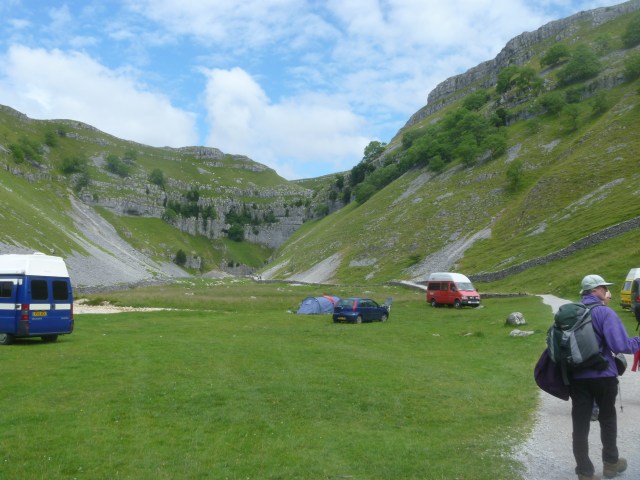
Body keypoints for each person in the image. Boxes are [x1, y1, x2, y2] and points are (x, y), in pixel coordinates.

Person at [570, 275, 640, 480]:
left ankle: (585, 472)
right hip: (603, 376)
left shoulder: (571, 313)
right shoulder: (604, 313)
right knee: (607, 418)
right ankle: (611, 464)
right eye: (603, 288)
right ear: (594, 291)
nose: (605, 291)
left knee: (580, 423)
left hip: (577, 377)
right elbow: (621, 345)